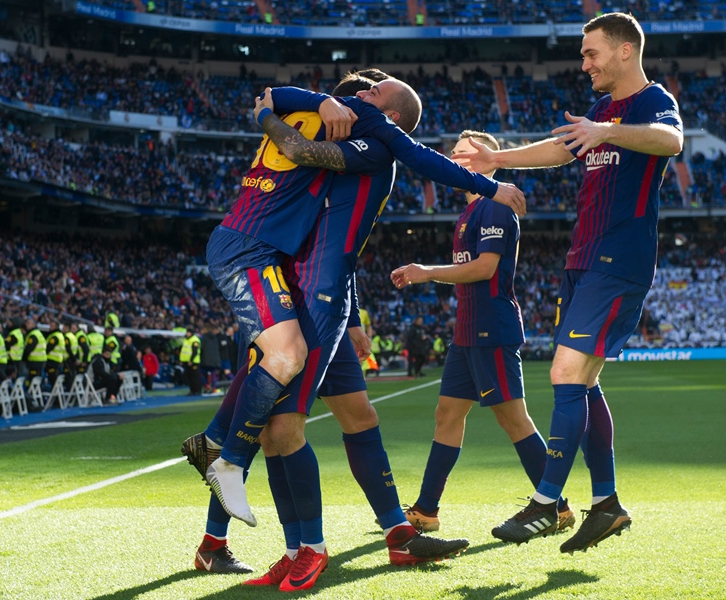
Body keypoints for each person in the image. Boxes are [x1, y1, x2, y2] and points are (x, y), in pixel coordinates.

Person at [201, 70, 526, 541]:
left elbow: (344, 240)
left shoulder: (369, 144)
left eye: (370, 93)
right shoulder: (335, 138)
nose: (358, 98)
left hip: (327, 301)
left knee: (356, 415)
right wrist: (288, 108)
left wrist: (351, 316)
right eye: (354, 94)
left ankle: (397, 529)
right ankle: (254, 538)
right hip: (293, 296)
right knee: (277, 424)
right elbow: (305, 166)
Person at [465, 13, 683, 552]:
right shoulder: (600, 111)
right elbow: (562, 149)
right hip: (582, 260)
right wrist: (496, 158)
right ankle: (606, 504)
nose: (584, 64)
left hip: (619, 259)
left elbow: (671, 140)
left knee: (565, 371)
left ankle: (545, 504)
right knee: (582, 382)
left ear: (626, 51)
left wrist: (606, 131)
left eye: (592, 54)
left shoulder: (650, 101)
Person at [390, 130, 575, 537]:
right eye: (452, 154)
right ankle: (425, 510)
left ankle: (557, 507)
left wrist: (428, 272)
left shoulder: (494, 207)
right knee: (447, 414)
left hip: (491, 327)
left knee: (512, 419)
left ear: (487, 160)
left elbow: (485, 268)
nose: (454, 160)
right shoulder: (468, 213)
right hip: (467, 331)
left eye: (463, 154)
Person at [179, 325, 202, 395]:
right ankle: (192, 390)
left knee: (195, 377)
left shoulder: (194, 340)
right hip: (186, 361)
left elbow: (194, 352)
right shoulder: (186, 339)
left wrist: (191, 360)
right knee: (189, 377)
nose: (187, 333)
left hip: (193, 362)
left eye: (188, 332)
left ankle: (197, 390)